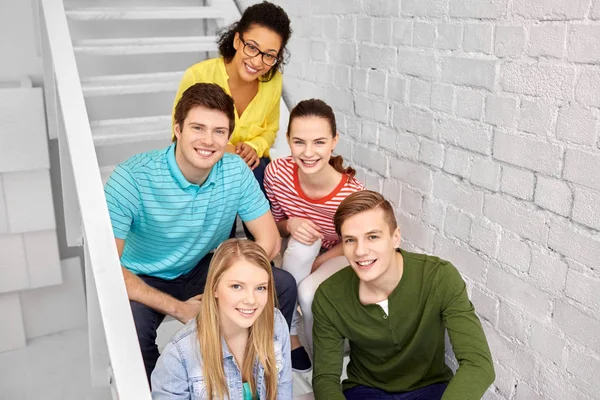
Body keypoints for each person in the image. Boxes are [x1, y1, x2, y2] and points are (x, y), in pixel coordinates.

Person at [104, 83, 297, 382]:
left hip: (202, 267)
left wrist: (227, 287)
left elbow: (270, 242)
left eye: (219, 131)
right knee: (132, 327)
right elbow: (109, 270)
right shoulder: (131, 178)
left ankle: (251, 370)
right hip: (142, 274)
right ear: (177, 129)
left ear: (228, 137)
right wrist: (181, 309)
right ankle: (172, 387)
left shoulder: (234, 171)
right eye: (198, 128)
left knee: (281, 284)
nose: (208, 140)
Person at [312, 191, 495, 399]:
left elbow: (478, 364)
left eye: (373, 236)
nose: (360, 251)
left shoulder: (438, 277)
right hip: (365, 390)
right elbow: (325, 378)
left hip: (430, 388)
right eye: (350, 240)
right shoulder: (329, 296)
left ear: (395, 237)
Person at [264, 99, 364, 372]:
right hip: (299, 252)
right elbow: (273, 225)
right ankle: (291, 335)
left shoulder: (351, 194)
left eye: (319, 142)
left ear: (334, 141)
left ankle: (323, 360)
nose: (308, 153)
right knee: (302, 243)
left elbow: (355, 242)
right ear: (287, 140)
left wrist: (321, 262)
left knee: (308, 293)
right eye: (299, 142)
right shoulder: (277, 173)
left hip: (339, 255)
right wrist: (291, 224)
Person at [172, 1, 291, 197]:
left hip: (252, 167)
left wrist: (254, 147)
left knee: (263, 179)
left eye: (269, 56)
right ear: (237, 40)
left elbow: (270, 130)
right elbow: (179, 131)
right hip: (206, 160)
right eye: (252, 47)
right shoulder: (198, 75)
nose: (257, 62)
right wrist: (228, 150)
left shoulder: (273, 82)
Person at [151, 239, 292, 399]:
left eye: (260, 288)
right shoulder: (178, 356)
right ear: (214, 288)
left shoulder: (275, 322)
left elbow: (283, 389)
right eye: (237, 286)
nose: (251, 300)